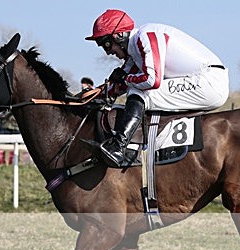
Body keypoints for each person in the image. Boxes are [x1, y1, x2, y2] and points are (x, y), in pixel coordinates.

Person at [85, 9, 229, 167]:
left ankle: (118, 147)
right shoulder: (134, 51)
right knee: (135, 88)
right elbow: (117, 85)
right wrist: (89, 97)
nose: (108, 52)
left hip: (209, 83)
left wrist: (125, 78)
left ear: (119, 36)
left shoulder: (145, 36)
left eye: (106, 44)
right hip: (204, 81)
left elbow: (151, 80)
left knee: (138, 91)